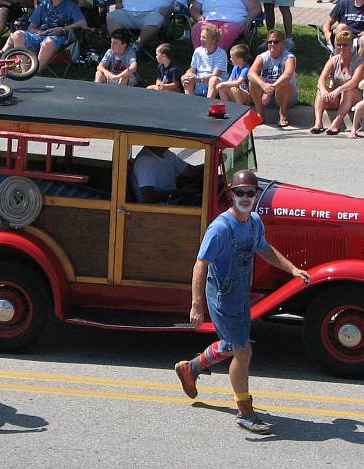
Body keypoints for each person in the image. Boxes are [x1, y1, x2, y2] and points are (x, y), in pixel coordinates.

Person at [174, 170, 310, 434]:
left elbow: (265, 249)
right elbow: (200, 264)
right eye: (240, 193)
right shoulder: (220, 228)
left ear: (255, 195)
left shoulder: (254, 222)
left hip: (240, 295)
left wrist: (292, 269)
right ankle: (245, 411)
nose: (245, 197)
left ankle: (190, 368)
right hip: (223, 296)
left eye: (250, 193)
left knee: (231, 345)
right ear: (231, 195)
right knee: (243, 351)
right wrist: (197, 304)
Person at [0, 0, 87, 72]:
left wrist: (63, 29)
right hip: (40, 34)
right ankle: (25, 69)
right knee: (17, 35)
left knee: (48, 42)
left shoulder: (70, 5)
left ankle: (35, 72)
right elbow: (31, 28)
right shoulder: (44, 4)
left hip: (58, 37)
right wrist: (40, 32)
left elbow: (83, 24)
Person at [309, 30, 364, 135]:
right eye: (339, 45)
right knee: (320, 91)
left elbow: (354, 82)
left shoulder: (359, 61)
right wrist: (324, 90)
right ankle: (318, 123)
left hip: (354, 97)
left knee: (348, 90)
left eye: (345, 45)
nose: (341, 48)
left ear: (351, 45)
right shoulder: (334, 60)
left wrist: (339, 90)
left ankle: (336, 123)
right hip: (336, 98)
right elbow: (321, 78)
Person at [248, 29, 298, 127]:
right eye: (269, 42)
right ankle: (260, 114)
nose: (272, 44)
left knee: (284, 83)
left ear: (282, 44)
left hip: (287, 97)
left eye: (275, 42)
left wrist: (270, 89)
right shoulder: (262, 57)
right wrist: (263, 85)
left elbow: (288, 75)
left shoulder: (289, 57)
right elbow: (251, 73)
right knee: (253, 82)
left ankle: (283, 114)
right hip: (266, 96)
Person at [132, 146, 203, 204]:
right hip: (159, 209)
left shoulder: (167, 154)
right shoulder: (145, 162)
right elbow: (148, 197)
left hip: (173, 200)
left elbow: (192, 172)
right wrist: (181, 192)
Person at [190, 0, 263, 51]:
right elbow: (194, 8)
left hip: (233, 21)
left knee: (226, 32)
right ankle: (200, 61)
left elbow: (255, 8)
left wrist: (247, 20)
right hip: (208, 21)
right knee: (197, 29)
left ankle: (215, 61)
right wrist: (197, 16)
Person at [182, 23, 228, 98]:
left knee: (213, 79)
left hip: (213, 84)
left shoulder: (221, 53)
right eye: (201, 37)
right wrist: (187, 76)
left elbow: (215, 75)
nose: (201, 39)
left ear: (213, 40)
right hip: (199, 81)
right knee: (187, 77)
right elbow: (192, 69)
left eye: (204, 37)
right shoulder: (198, 51)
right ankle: (190, 102)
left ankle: (208, 104)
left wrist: (197, 80)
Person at [106, 0, 175, 51]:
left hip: (154, 12)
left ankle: (136, 46)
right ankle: (120, 45)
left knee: (154, 20)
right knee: (112, 17)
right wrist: (118, 2)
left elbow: (180, 3)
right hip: (126, 10)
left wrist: (170, 8)